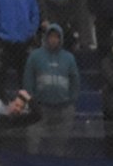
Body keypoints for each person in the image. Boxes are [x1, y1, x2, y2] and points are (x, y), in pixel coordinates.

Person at [22, 23, 79, 152]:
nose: (53, 39)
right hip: (40, 107)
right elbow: (28, 80)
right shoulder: (35, 56)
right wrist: (32, 101)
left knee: (60, 142)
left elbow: (75, 80)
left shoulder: (69, 58)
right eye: (51, 36)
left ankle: (56, 164)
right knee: (33, 139)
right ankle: (34, 163)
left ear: (61, 39)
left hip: (63, 107)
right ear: (46, 38)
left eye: (56, 37)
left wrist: (71, 99)